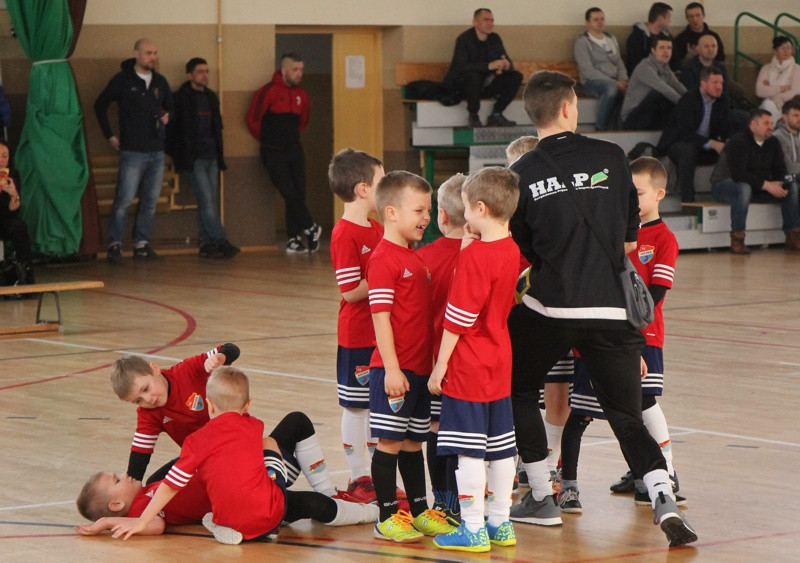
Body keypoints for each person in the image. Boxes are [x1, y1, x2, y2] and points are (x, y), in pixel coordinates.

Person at [507, 70, 697, 547]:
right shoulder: (612, 157)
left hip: (552, 306)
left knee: (517, 388)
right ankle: (661, 495)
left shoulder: (522, 173)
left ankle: (539, 494)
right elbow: (631, 241)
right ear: (572, 106)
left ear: (532, 115)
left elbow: (525, 249)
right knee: (626, 414)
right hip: (614, 310)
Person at [557, 157, 684, 513]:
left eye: (638, 193)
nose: (630, 199)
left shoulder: (663, 239)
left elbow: (654, 294)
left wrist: (633, 340)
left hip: (642, 338)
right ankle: (570, 484)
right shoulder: (613, 231)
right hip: (600, 338)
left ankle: (665, 474)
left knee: (642, 405)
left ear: (659, 194)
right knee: (581, 413)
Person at [427, 167, 520, 553]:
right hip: (500, 357)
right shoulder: (511, 248)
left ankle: (472, 528)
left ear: (480, 208)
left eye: (466, 208)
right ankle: (501, 522)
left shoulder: (475, 257)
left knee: (469, 450)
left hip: (468, 362)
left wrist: (440, 365)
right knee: (500, 446)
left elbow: (459, 318)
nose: (464, 216)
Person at [366, 170, 456, 542]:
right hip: (394, 373)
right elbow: (380, 318)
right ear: (391, 212)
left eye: (428, 210)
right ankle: (387, 516)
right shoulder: (384, 259)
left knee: (414, 442)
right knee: (389, 442)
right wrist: (391, 368)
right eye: (418, 210)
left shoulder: (416, 259)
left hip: (419, 371)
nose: (425, 217)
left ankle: (419, 511)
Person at [327, 148, 385, 503]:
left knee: (379, 404)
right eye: (382, 181)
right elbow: (350, 292)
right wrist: (384, 277)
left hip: (383, 333)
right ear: (363, 189)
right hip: (357, 335)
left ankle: (379, 474)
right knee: (356, 406)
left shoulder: (378, 228)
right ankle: (358, 476)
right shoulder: (344, 234)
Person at [416, 173, 469, 526]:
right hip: (475, 364)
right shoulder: (487, 254)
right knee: (470, 434)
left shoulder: (423, 258)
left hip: (435, 362)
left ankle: (445, 503)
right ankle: (473, 504)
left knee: (437, 428)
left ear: (442, 216)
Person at [94, 38, 173, 263]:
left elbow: (171, 107)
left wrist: (168, 116)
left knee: (149, 201)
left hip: (156, 151)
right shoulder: (122, 80)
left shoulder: (160, 81)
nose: (152, 57)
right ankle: (115, 245)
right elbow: (100, 105)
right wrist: (109, 134)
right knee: (124, 200)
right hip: (132, 152)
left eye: (155, 53)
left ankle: (141, 244)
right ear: (136, 54)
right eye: (148, 53)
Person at [246, 53, 322, 254]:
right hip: (273, 151)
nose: (299, 74)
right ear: (284, 70)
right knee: (288, 192)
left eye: (302, 70)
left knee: (298, 194)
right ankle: (310, 227)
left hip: (294, 149)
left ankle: (294, 238)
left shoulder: (301, 95)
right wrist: (270, 139)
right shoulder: (268, 91)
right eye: (295, 70)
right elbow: (253, 120)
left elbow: (303, 123)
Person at [170, 57, 239, 259]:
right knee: (207, 201)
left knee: (207, 201)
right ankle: (220, 240)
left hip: (212, 156)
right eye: (200, 71)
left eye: (207, 71)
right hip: (194, 158)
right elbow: (175, 130)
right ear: (189, 75)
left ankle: (206, 244)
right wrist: (181, 155)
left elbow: (216, 127)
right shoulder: (181, 98)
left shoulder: (210, 97)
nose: (205, 75)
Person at [710, 109, 800, 254]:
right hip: (725, 185)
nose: (771, 127)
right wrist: (767, 185)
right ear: (753, 125)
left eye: (771, 123)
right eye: (766, 123)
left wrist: (778, 183)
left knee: (791, 187)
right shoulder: (738, 141)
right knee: (744, 187)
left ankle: (792, 234)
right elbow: (739, 175)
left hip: (757, 186)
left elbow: (780, 169)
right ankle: (738, 238)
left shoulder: (773, 142)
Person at [657, 66, 730, 203]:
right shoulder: (689, 99)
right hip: (678, 145)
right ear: (703, 83)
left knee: (731, 146)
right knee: (688, 149)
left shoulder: (722, 101)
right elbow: (686, 133)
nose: (719, 87)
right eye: (715, 83)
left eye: (721, 83)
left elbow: (724, 128)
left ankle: (722, 190)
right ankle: (688, 200)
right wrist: (713, 143)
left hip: (704, 147)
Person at [443, 8, 523, 128]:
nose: (490, 23)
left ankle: (496, 114)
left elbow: (506, 60)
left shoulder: (495, 38)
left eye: (492, 20)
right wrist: (488, 66)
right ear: (475, 22)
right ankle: (473, 115)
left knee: (516, 76)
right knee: (473, 75)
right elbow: (459, 67)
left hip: (486, 84)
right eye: (486, 20)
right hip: (465, 87)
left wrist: (506, 65)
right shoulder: (464, 39)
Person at [574, 7, 628, 131]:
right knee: (611, 90)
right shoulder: (582, 42)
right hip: (592, 82)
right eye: (596, 19)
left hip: (616, 80)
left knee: (632, 90)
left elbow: (619, 63)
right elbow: (588, 71)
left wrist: (624, 80)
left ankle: (621, 128)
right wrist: (616, 83)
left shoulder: (611, 39)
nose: (600, 22)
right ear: (588, 23)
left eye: (602, 19)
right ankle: (601, 128)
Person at [622, 34, 687, 130]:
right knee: (660, 95)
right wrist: (687, 105)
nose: (666, 51)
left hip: (650, 116)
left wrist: (694, 100)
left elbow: (678, 85)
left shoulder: (665, 66)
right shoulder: (645, 67)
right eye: (662, 48)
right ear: (653, 50)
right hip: (632, 119)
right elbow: (664, 89)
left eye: (669, 48)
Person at [0, 141, 34, 287]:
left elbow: (14, 211)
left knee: (19, 226)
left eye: (4, 156)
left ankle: (24, 276)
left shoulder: (12, 175)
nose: (1, 160)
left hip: (3, 220)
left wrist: (14, 195)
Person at [756, 36, 800, 125]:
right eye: (782, 48)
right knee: (768, 104)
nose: (786, 51)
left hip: (789, 107)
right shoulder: (766, 69)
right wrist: (781, 88)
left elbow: (796, 91)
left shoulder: (796, 69)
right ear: (775, 51)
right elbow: (760, 91)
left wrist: (779, 97)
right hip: (769, 104)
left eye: (789, 48)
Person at [670, 2, 725, 71]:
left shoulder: (713, 36)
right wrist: (688, 57)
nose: (695, 19)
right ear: (687, 18)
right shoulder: (680, 39)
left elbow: (721, 60)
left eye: (698, 15)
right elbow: (676, 67)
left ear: (703, 16)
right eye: (691, 16)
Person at [625, 2, 673, 76]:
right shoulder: (637, 37)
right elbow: (634, 64)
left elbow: (675, 59)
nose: (670, 20)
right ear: (660, 18)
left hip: (665, 76)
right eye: (669, 17)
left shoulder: (667, 36)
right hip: (644, 78)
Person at [773, 96, 800, 181]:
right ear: (785, 117)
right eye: (795, 116)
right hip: (782, 178)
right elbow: (788, 168)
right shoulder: (777, 137)